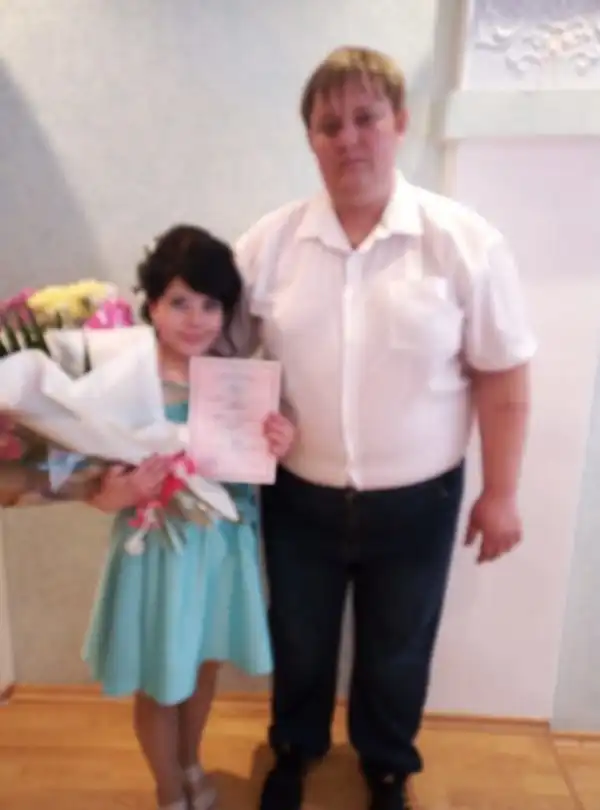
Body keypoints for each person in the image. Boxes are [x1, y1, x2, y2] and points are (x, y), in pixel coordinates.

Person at [234, 46, 537, 810]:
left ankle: (388, 765)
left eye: (365, 117)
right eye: (329, 124)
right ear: (310, 138)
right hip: (298, 497)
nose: (349, 138)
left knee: (398, 647)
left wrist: (502, 493)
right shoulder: (267, 246)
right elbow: (221, 361)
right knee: (299, 638)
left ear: (400, 123)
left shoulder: (463, 241)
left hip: (419, 501)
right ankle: (295, 749)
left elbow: (503, 374)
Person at [83, 225, 295, 810]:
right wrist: (124, 492)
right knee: (160, 677)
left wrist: (278, 441)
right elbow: (90, 490)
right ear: (152, 305)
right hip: (156, 551)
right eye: (180, 302)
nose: (196, 319)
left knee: (203, 666)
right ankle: (168, 787)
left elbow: (249, 469)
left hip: (220, 547)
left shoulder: (237, 381)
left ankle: (190, 760)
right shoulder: (125, 381)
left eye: (210, 304)